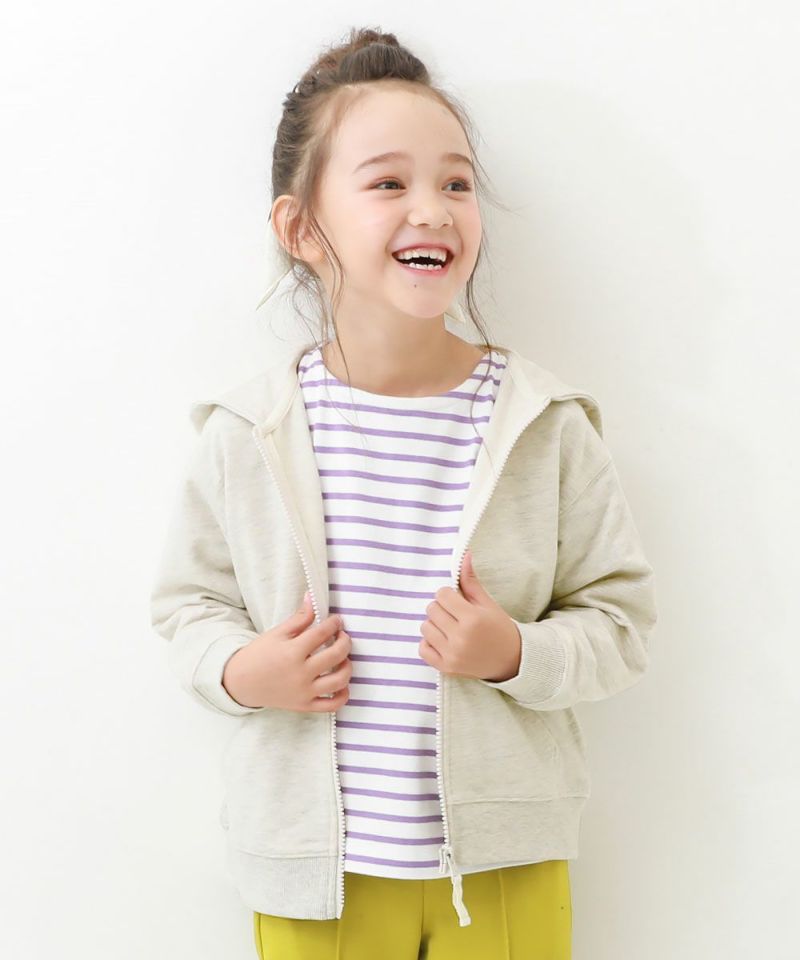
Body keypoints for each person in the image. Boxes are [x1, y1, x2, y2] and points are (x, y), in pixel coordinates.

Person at [149, 26, 658, 960]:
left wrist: (515, 654)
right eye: (388, 183)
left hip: (506, 866)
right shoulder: (247, 431)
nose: (433, 209)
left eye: (456, 184)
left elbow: (620, 623)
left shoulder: (543, 423)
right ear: (302, 230)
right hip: (314, 875)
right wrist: (242, 672)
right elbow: (187, 609)